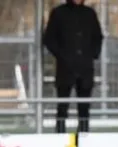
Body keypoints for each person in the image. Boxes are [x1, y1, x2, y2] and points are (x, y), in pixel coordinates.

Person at [43, 0, 104, 133]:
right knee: (62, 107)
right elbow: (49, 39)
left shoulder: (89, 14)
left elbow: (98, 37)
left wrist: (92, 54)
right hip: (65, 69)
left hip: (85, 68)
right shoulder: (58, 13)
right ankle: (60, 135)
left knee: (84, 109)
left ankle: (83, 135)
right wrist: (62, 56)